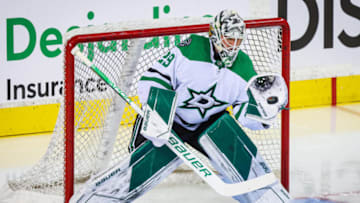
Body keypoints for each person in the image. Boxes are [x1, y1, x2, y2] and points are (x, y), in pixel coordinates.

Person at [70, 9, 290, 203]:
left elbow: (243, 110)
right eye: (228, 39)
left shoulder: (244, 67)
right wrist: (159, 114)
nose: (233, 46)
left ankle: (265, 197)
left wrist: (263, 115)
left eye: (237, 40)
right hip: (170, 120)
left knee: (238, 154)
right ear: (214, 35)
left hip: (208, 124)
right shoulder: (191, 48)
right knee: (139, 167)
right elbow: (152, 79)